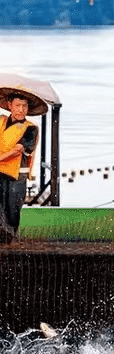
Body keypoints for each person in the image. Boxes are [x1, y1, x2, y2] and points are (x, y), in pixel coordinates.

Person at [0, 85, 44, 245]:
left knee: (12, 211)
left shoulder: (30, 129)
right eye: (18, 105)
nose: (21, 109)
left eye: (24, 106)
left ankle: (8, 243)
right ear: (9, 105)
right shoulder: (1, 121)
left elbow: (17, 151)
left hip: (16, 176)